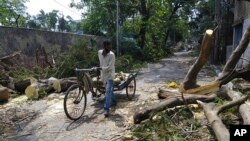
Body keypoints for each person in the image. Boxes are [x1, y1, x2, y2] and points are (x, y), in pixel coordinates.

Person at [97, 40, 116, 117]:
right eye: (108, 46)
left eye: (110, 45)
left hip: (110, 75)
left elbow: (110, 67)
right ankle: (114, 100)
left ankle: (106, 109)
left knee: (107, 92)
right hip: (103, 75)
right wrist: (99, 70)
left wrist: (101, 68)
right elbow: (100, 62)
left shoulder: (112, 55)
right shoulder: (99, 52)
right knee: (109, 90)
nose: (110, 47)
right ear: (104, 46)